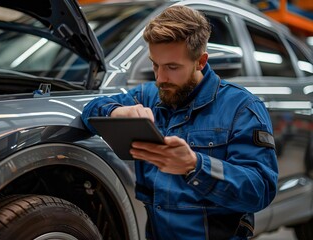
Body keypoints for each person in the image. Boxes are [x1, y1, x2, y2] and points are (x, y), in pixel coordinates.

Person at [81, 5, 278, 240]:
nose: (161, 78)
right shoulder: (147, 96)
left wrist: (195, 166)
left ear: (200, 61)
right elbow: (89, 110)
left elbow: (260, 190)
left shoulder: (241, 108)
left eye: (172, 67)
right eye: (155, 64)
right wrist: (116, 112)